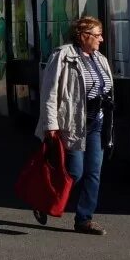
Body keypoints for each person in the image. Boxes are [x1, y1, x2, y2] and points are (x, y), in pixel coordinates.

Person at [33, 15, 114, 235]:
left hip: (95, 123)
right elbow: (49, 93)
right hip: (72, 123)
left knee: (94, 172)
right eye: (97, 35)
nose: (101, 39)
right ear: (84, 36)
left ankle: (84, 220)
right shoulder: (62, 56)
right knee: (74, 172)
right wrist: (51, 124)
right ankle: (43, 201)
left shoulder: (100, 59)